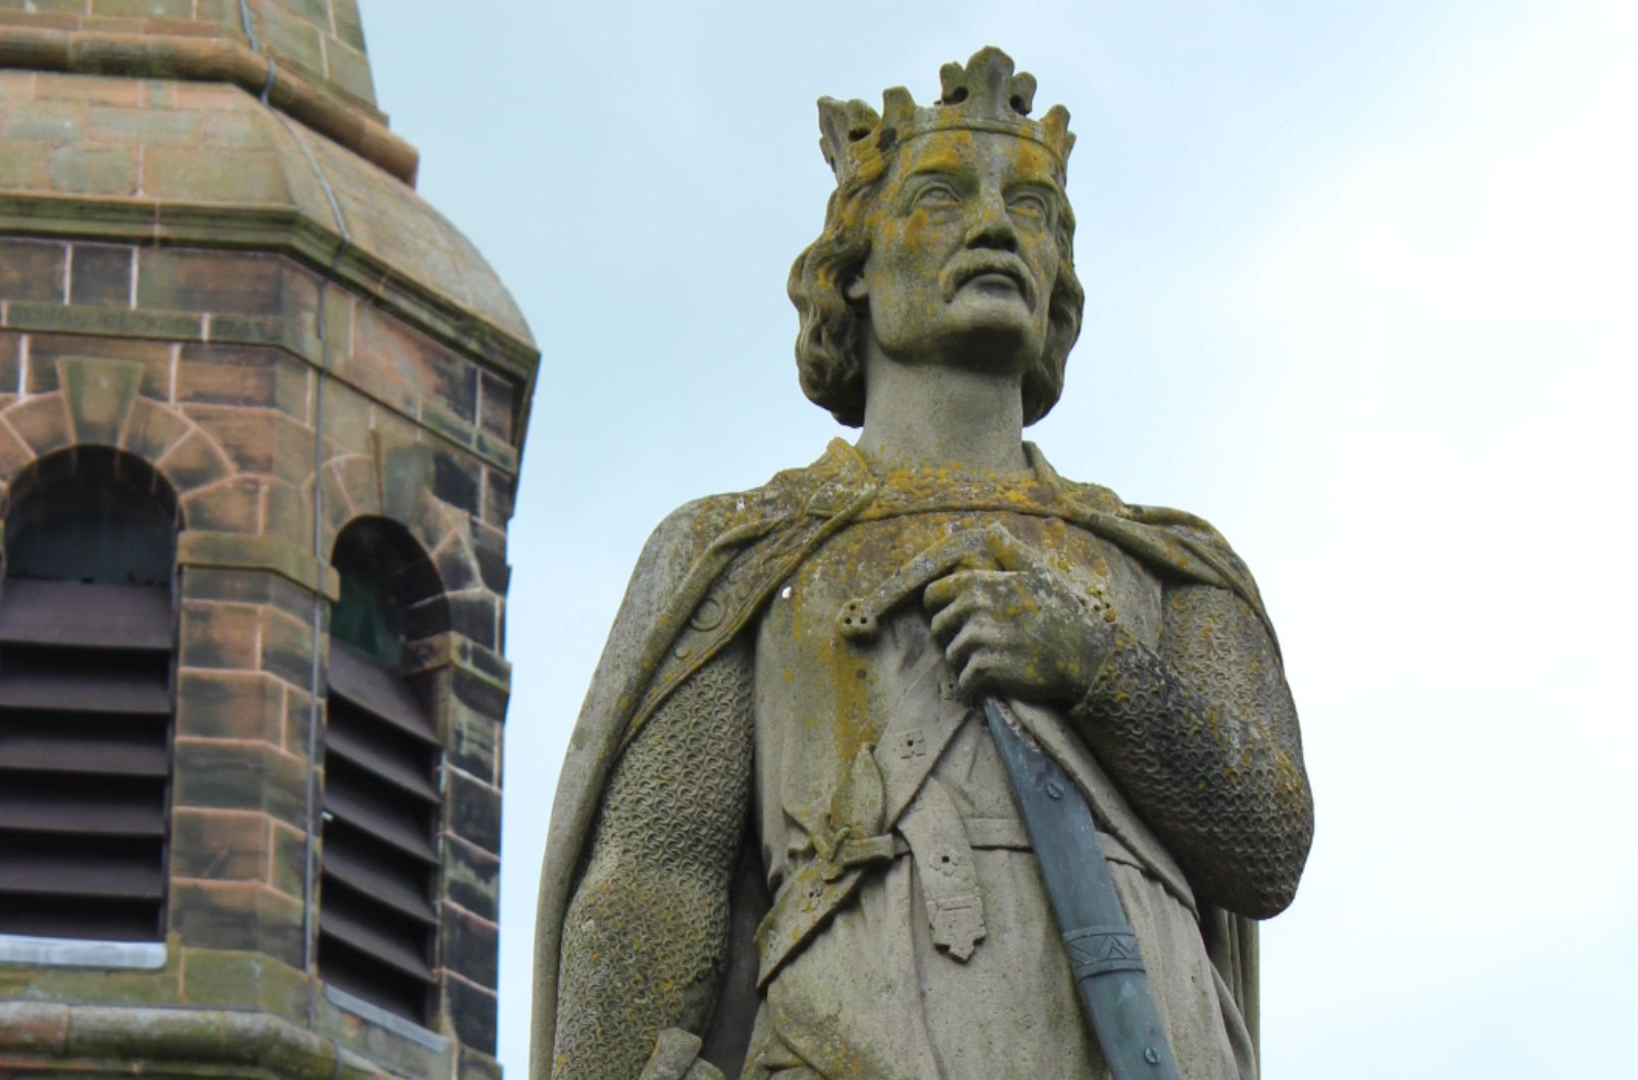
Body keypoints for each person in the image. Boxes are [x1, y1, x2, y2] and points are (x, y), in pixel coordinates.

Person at [533, 47, 1313, 1080]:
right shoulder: (747, 556)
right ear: (852, 267)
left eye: (1032, 210)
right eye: (943, 198)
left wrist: (1094, 665)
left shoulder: (1171, 569)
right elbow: (653, 884)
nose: (996, 227)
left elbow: (1265, 843)